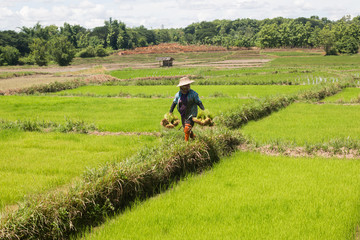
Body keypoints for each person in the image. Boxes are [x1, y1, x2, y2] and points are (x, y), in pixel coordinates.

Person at [169, 77, 205, 141]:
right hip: (183, 115)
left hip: (192, 114)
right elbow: (174, 103)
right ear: (181, 87)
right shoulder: (178, 95)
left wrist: (204, 111)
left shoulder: (193, 94)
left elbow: (199, 102)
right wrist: (170, 112)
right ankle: (193, 137)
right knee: (186, 130)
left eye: (188, 86)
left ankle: (186, 144)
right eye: (185, 86)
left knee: (187, 127)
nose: (186, 87)